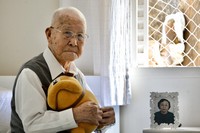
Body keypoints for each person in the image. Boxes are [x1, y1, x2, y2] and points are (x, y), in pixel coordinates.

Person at [10, 7, 115, 133]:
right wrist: (75, 115)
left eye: (80, 36)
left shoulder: (77, 75)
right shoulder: (31, 73)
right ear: (49, 35)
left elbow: (88, 115)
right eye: (67, 33)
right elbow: (32, 125)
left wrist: (102, 121)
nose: (74, 42)